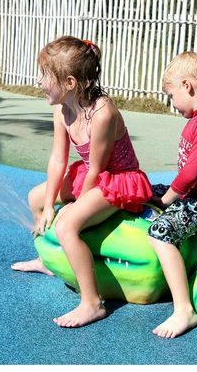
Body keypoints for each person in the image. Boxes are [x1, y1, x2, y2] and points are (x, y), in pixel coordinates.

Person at [11, 36, 152, 327]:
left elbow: (97, 171)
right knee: (34, 199)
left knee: (66, 224)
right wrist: (49, 203)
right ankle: (47, 260)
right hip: (90, 173)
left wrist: (74, 208)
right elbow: (57, 159)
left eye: (44, 75)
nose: (38, 81)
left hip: (117, 180)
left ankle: (92, 303)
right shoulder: (61, 107)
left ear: (70, 82)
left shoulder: (103, 114)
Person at [147, 52, 197, 338]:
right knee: (145, 190)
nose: (172, 103)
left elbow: (192, 173)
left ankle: (184, 310)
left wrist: (167, 199)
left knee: (159, 231)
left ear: (188, 86)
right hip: (189, 197)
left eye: (171, 95)